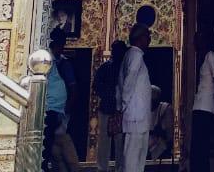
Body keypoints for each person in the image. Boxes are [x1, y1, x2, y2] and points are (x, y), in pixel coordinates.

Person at [45, 29, 85, 172]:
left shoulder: (63, 63)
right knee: (55, 149)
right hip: (50, 109)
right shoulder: (47, 61)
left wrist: (66, 111)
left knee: (59, 144)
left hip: (59, 111)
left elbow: (73, 88)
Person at [117, 23, 152, 172]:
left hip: (137, 116)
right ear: (140, 38)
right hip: (135, 116)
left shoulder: (131, 55)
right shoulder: (135, 55)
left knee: (135, 157)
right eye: (147, 36)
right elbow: (128, 83)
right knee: (133, 158)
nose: (149, 39)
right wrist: (122, 107)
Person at [189, 29, 214, 172]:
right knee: (196, 149)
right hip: (199, 108)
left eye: (199, 39)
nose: (195, 43)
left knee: (201, 149)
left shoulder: (210, 56)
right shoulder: (202, 58)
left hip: (206, 109)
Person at [93, 41, 127, 172]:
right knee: (107, 141)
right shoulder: (107, 67)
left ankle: (113, 168)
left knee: (117, 142)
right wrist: (108, 95)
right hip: (108, 109)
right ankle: (105, 168)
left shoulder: (123, 68)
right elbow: (96, 85)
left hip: (118, 110)